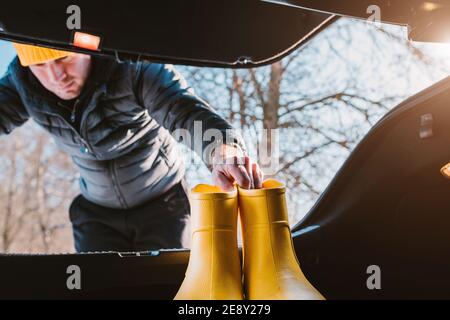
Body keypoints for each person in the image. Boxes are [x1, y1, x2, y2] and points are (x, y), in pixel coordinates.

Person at [0, 43, 263, 252]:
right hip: (97, 211)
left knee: (162, 285)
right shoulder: (23, 85)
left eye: (64, 59)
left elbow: (181, 108)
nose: (57, 77)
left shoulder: (132, 65)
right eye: (39, 65)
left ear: (87, 47)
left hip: (163, 204)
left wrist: (222, 150)